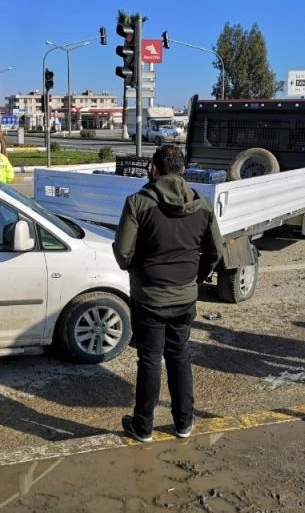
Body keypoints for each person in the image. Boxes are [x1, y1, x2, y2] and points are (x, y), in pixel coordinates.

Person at [112, 145, 221, 443]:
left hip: (149, 297)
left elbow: (122, 252)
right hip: (185, 296)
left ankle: (143, 426)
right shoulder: (202, 204)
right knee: (179, 356)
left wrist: (137, 270)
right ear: (183, 170)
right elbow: (216, 251)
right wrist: (196, 277)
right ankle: (184, 423)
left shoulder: (137, 202)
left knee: (149, 359)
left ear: (154, 170)